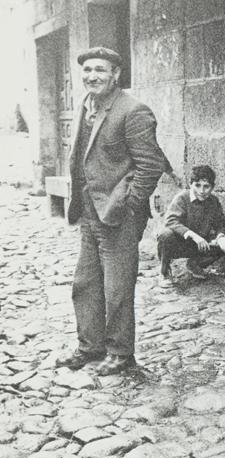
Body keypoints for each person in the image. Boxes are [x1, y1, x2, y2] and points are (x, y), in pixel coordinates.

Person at [56, 46, 170, 376]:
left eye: (100, 70)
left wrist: (129, 207)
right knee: (85, 283)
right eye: (88, 69)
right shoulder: (86, 105)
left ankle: (121, 354)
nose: (92, 76)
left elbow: (151, 166)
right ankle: (90, 347)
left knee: (117, 290)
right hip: (90, 212)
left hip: (118, 214)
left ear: (115, 74)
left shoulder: (133, 111)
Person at [157, 164, 225, 287]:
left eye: (206, 186)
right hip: (180, 243)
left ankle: (195, 264)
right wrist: (193, 235)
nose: (202, 191)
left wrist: (220, 236)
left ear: (212, 187)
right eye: (197, 185)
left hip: (201, 245)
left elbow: (222, 223)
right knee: (165, 236)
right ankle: (164, 272)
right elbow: (171, 221)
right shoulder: (182, 198)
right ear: (191, 184)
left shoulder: (213, 201)